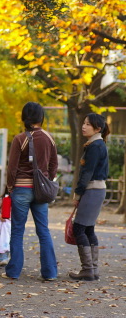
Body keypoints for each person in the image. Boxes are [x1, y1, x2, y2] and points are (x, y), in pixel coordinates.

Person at [3, 102, 58, 281]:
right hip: (41, 191)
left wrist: (10, 186)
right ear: (41, 117)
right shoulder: (49, 138)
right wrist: (47, 179)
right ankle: (50, 272)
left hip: (21, 189)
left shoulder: (20, 139)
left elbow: (12, 168)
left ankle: (13, 271)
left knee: (18, 230)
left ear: (24, 116)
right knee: (43, 230)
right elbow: (53, 165)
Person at [69, 113, 110, 281]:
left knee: (79, 228)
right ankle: (92, 270)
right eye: (84, 123)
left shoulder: (95, 146)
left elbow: (86, 173)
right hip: (98, 190)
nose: (83, 126)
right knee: (88, 228)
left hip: (92, 190)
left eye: (88, 124)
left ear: (97, 129)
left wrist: (77, 194)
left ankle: (88, 270)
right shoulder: (99, 144)